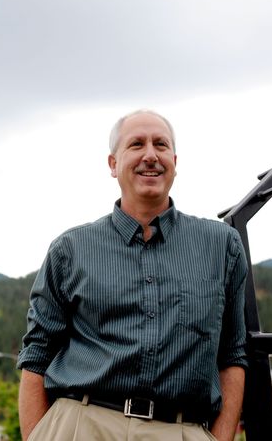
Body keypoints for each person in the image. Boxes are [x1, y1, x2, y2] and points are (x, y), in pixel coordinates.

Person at [16, 109, 248, 441]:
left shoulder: (221, 245)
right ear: (113, 164)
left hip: (181, 430)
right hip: (82, 426)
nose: (150, 155)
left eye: (161, 145)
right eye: (136, 144)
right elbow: (37, 356)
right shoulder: (69, 249)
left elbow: (232, 354)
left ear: (175, 160)